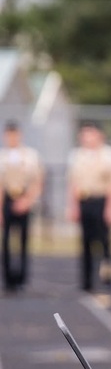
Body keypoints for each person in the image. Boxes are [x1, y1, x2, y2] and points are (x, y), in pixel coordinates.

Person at [66, 120, 111, 292]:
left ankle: (107, 279)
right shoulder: (77, 155)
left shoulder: (110, 155)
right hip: (85, 200)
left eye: (90, 133)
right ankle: (87, 282)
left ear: (99, 135)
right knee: (86, 242)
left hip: (102, 200)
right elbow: (73, 183)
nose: (86, 138)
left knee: (104, 243)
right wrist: (73, 206)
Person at [0, 120, 43, 293]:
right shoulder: (2, 156)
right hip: (8, 199)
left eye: (14, 134)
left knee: (24, 240)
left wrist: (27, 200)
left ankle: (22, 278)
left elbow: (38, 180)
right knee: (6, 241)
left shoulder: (30, 156)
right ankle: (8, 279)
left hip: (24, 199)